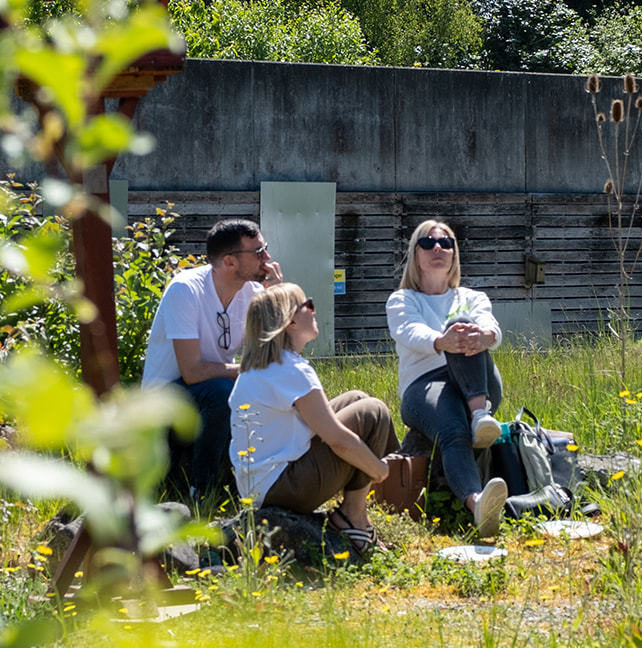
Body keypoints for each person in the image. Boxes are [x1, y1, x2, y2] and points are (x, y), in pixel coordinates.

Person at [229, 285, 397, 555]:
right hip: (285, 489)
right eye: (308, 304)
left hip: (262, 486)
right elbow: (338, 440)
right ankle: (353, 518)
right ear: (290, 321)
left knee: (356, 398)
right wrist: (378, 470)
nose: (314, 309)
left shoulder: (265, 367)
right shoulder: (292, 369)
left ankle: (352, 513)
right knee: (373, 411)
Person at [387, 220, 509, 539]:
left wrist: (485, 335)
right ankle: (478, 502)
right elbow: (408, 331)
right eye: (427, 243)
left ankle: (480, 414)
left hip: (479, 382)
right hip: (424, 386)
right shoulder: (402, 300)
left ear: (455, 254)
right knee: (453, 428)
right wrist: (442, 341)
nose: (437, 248)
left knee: (465, 322)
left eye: (446, 243)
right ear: (415, 255)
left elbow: (491, 326)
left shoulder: (473, 296)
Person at [142, 219, 282, 493]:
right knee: (223, 389)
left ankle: (259, 477)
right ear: (229, 262)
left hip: (204, 395)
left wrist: (276, 297)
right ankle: (202, 489)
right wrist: (246, 369)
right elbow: (192, 372)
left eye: (265, 249)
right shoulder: (185, 290)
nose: (267, 259)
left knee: (266, 383)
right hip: (164, 403)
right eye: (258, 253)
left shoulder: (253, 292)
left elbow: (278, 354)